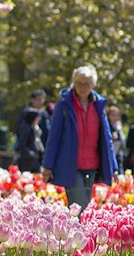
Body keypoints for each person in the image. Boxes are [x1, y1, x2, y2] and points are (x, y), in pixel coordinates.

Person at [40, 66, 119, 209]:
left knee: (85, 207)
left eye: (86, 84)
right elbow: (54, 137)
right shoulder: (64, 105)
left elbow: (107, 139)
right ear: (74, 83)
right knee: (79, 206)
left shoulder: (98, 105)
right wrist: (48, 166)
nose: (82, 88)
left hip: (92, 165)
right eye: (79, 83)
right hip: (71, 165)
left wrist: (113, 167)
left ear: (93, 84)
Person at [15, 109, 46, 174]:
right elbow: (22, 144)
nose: (39, 119)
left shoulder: (35, 128)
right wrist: (31, 153)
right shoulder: (26, 129)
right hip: (28, 159)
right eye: (38, 117)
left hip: (35, 158)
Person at [107, 105, 126, 172]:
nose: (115, 117)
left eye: (117, 115)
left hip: (119, 153)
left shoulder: (119, 126)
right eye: (113, 115)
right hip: (111, 154)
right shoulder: (107, 127)